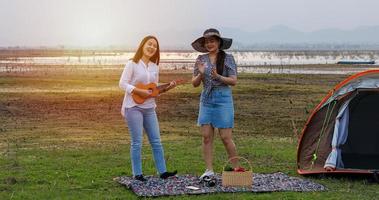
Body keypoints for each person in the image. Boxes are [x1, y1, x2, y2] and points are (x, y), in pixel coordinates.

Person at [119, 35, 177, 181]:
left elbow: (153, 90)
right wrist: (138, 91)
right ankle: (137, 174)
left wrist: (167, 88)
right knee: (137, 142)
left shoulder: (155, 66)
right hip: (133, 107)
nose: (152, 47)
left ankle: (163, 172)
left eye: (155, 46)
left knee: (156, 141)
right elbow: (122, 84)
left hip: (149, 108)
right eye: (149, 44)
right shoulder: (132, 63)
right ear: (142, 45)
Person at [191, 28, 239, 179]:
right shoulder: (201, 59)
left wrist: (218, 76)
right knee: (206, 137)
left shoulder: (227, 58)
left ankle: (237, 169)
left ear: (218, 42)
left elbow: (233, 81)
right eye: (207, 41)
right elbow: (194, 84)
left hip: (223, 99)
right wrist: (201, 73)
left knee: (225, 137)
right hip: (206, 99)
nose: (209, 44)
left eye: (212, 40)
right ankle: (209, 170)